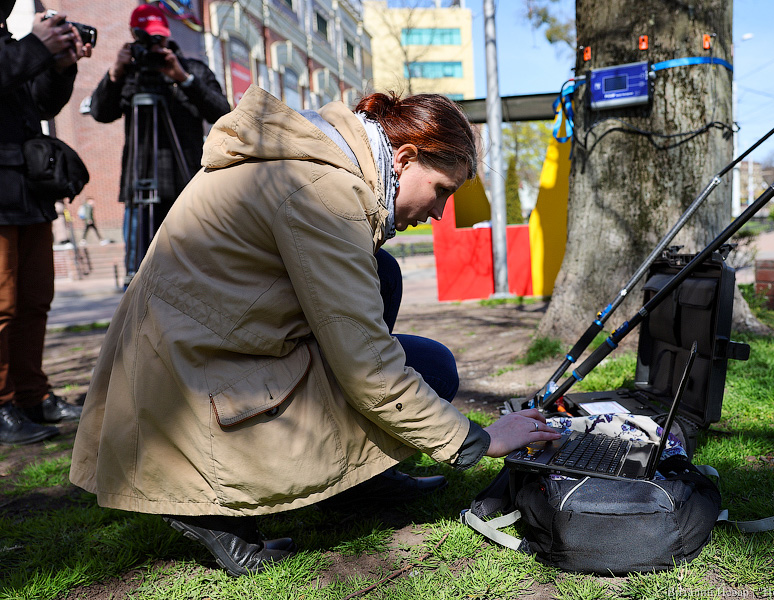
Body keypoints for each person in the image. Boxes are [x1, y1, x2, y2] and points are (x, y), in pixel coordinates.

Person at [70, 85, 561, 577]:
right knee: (432, 368)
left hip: (196, 361)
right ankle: (207, 506)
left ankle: (362, 481)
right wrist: (476, 440)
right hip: (190, 395)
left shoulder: (318, 162)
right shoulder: (325, 192)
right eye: (441, 192)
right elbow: (369, 368)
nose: (438, 214)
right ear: (406, 157)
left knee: (381, 271)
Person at [0, 2, 92, 445]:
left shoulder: (9, 44)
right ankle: (2, 405)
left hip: (26, 191)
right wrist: (35, 46)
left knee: (34, 300)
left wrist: (58, 65)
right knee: (2, 304)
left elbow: (41, 102)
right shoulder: (15, 49)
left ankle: (32, 397)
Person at [89, 3, 229, 283]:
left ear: (167, 36)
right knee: (141, 277)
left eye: (159, 39)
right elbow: (100, 113)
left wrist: (184, 79)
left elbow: (223, 113)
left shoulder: (193, 70)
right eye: (147, 39)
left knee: (195, 272)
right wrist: (115, 73)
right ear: (133, 35)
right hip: (139, 182)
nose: (155, 48)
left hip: (185, 183)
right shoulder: (128, 73)